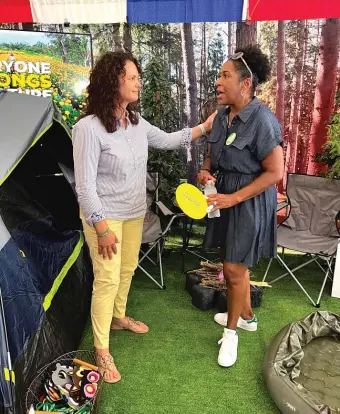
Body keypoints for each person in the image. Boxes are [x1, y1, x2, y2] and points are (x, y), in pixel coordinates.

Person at [72, 51, 216, 383]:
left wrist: (204, 128)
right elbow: (85, 186)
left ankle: (118, 317)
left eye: (138, 77)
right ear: (113, 81)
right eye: (132, 77)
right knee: (106, 279)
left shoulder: (136, 123)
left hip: (135, 214)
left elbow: (168, 141)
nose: (139, 82)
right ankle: (102, 351)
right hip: (104, 219)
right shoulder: (88, 129)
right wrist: (102, 227)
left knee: (127, 270)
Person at [197, 45, 284, 368]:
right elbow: (212, 157)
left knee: (234, 269)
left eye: (225, 76)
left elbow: (275, 173)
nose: (218, 82)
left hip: (248, 201)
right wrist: (206, 172)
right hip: (223, 198)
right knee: (230, 263)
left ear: (246, 83)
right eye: (219, 75)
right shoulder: (220, 117)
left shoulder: (263, 121)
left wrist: (233, 197)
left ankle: (231, 335)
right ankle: (247, 317)